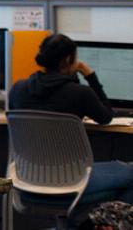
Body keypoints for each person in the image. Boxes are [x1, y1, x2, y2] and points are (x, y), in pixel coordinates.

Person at [9, 34, 133, 204]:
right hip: (72, 181)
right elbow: (106, 116)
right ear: (68, 59)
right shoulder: (80, 93)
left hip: (27, 181)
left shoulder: (18, 89)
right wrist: (90, 75)